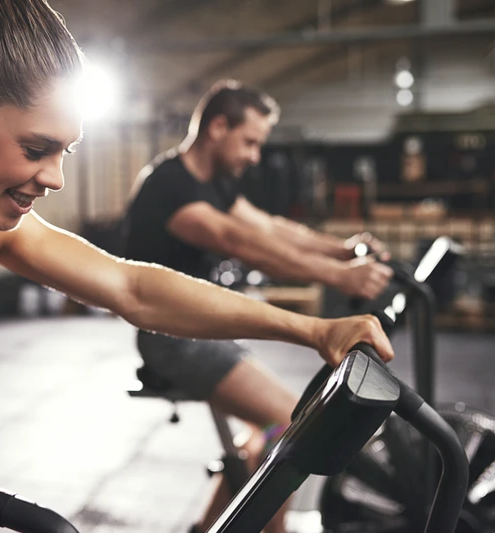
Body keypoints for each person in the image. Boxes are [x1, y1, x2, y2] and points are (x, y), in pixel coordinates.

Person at [0, 3, 394, 533]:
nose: (55, 178)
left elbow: (131, 285)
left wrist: (314, 331)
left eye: (64, 152)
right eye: (35, 149)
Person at [123, 80, 394, 533]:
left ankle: (214, 526)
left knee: (264, 437)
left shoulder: (214, 184)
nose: (253, 156)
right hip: (172, 341)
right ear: (217, 126)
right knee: (292, 426)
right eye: (249, 142)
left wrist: (341, 251)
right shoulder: (167, 184)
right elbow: (235, 240)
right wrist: (337, 277)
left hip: (205, 334)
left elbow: (268, 228)